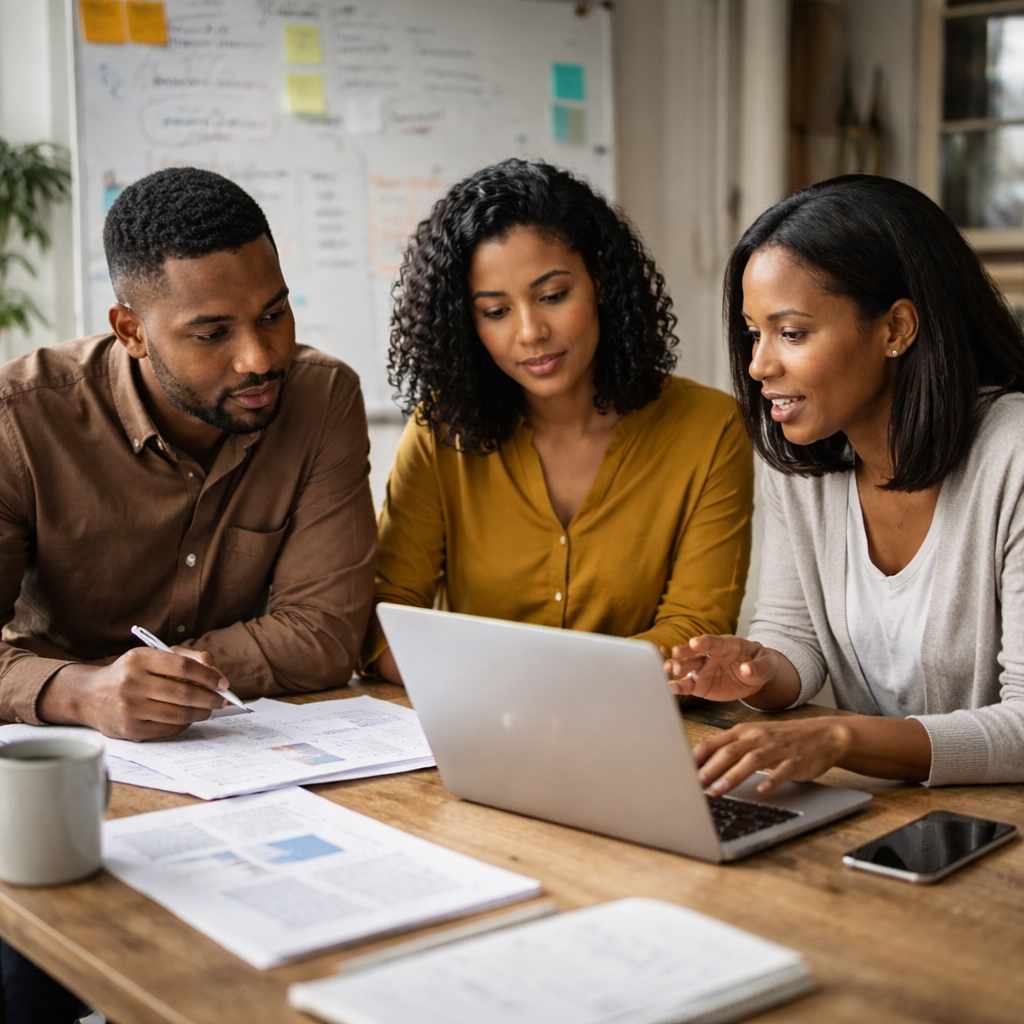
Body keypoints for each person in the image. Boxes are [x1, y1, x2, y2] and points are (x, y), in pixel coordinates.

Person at [0, 167, 376, 1022]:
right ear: (130, 329)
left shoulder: (321, 399)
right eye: (213, 332)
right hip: (63, 786)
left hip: (270, 790)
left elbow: (324, 632)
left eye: (275, 312)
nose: (261, 356)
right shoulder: (21, 419)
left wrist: (175, 679)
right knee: (35, 980)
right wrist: (83, 691)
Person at [666, 174, 1024, 794]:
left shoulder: (1012, 455)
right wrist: (758, 670)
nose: (758, 365)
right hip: (894, 813)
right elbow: (794, 635)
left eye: (792, 333)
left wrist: (839, 738)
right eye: (754, 333)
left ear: (896, 329)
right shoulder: (802, 459)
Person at [362, 159, 753, 681]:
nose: (530, 332)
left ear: (601, 278)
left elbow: (694, 630)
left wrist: (535, 681)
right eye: (496, 311)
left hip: (635, 729)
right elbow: (387, 619)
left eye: (552, 296)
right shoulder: (441, 431)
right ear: (466, 321)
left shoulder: (710, 428)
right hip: (477, 726)